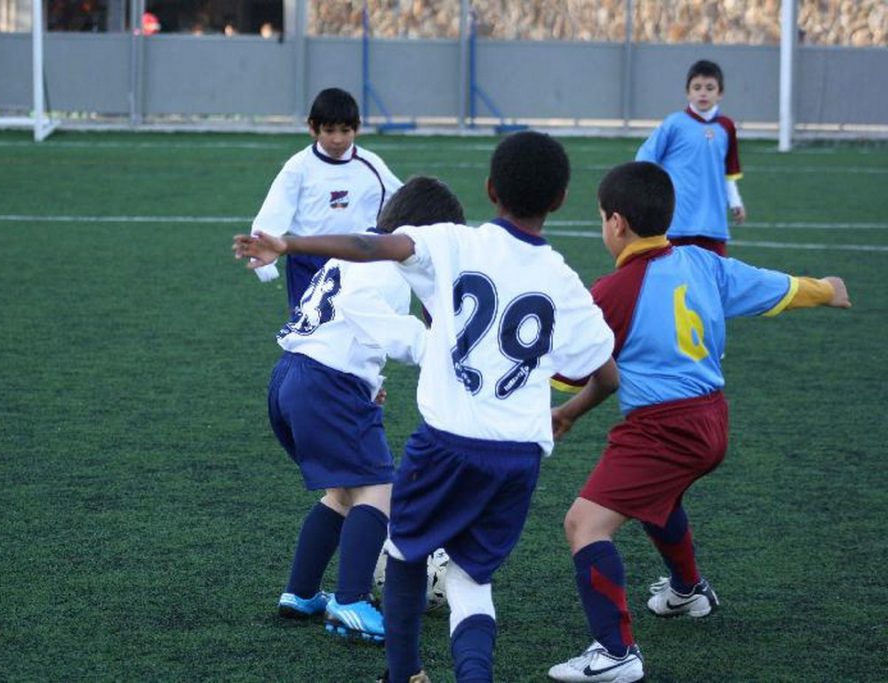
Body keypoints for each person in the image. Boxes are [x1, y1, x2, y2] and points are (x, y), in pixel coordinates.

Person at [236, 131, 620, 683]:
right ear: (561, 199)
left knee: (401, 544)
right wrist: (570, 412)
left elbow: (374, 246)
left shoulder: (455, 244)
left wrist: (291, 245)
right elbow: (606, 374)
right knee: (469, 578)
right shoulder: (564, 280)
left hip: (440, 439)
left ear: (490, 189)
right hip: (518, 454)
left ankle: (401, 671)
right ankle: (449, 660)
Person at [546, 161, 851, 683]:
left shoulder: (614, 291)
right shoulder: (703, 263)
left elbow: (565, 375)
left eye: (601, 218)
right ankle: (688, 592)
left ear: (616, 223)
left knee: (584, 523)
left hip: (662, 431)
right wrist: (825, 288)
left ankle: (616, 653)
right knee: (657, 501)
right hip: (712, 422)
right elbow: (776, 287)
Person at [268, 176, 466, 644]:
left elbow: (340, 322)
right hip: (325, 385)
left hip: (293, 376)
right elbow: (364, 309)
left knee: (343, 492)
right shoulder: (385, 263)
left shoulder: (354, 252)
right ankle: (351, 599)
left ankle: (300, 592)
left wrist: (368, 380)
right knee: (379, 489)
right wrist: (430, 347)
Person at [251, 87, 403, 311]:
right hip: (307, 261)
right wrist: (262, 252)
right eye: (329, 130)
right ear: (313, 128)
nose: (337, 139)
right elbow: (276, 208)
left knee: (360, 326)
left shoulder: (371, 165)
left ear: (357, 128)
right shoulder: (299, 167)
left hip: (359, 260)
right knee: (309, 328)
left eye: (345, 130)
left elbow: (404, 201)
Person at [635, 60, 745, 256]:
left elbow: (730, 170)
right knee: (675, 279)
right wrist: (648, 192)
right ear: (688, 92)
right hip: (677, 221)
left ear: (720, 93)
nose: (703, 93)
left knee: (714, 278)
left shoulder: (726, 127)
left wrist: (735, 201)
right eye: (697, 87)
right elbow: (646, 156)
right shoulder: (674, 123)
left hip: (713, 223)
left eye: (710, 88)